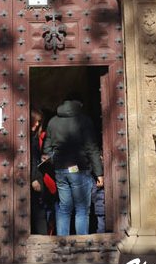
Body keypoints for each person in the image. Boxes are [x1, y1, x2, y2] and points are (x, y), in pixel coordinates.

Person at [42, 97, 103, 237]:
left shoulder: (53, 122)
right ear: (79, 105)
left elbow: (46, 149)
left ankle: (63, 241)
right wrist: (99, 173)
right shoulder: (84, 121)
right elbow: (91, 148)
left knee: (64, 208)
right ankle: (81, 244)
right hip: (80, 169)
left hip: (60, 171)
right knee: (81, 209)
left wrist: (57, 163)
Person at [29, 107, 57, 235]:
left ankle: (42, 237)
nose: (37, 124)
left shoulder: (34, 138)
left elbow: (34, 160)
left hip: (36, 178)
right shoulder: (29, 138)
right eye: (35, 121)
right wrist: (33, 178)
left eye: (39, 122)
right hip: (31, 179)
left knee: (39, 212)